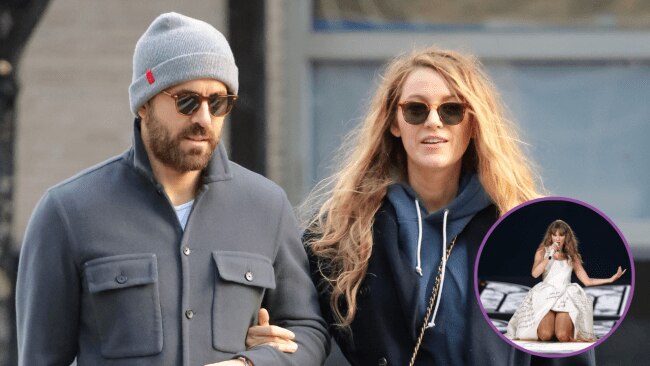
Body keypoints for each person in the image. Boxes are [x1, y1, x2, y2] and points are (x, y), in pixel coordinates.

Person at [246, 47, 597, 365]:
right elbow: (302, 331)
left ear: (473, 123)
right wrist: (266, 343)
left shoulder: (523, 231)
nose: (433, 121)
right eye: (416, 109)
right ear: (394, 123)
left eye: (451, 109)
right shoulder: (340, 235)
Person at [15, 12, 328, 366]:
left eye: (219, 102)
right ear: (145, 104)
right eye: (187, 101)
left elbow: (308, 332)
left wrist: (254, 363)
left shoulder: (268, 206)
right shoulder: (66, 213)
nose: (204, 119)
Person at [506, 219, 626, 343]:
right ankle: (551, 326)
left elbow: (587, 281)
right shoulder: (543, 252)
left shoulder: (572, 256)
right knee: (545, 335)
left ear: (566, 237)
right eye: (554, 234)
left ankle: (567, 327)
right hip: (546, 296)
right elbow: (535, 273)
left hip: (565, 298)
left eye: (561, 235)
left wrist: (610, 279)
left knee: (563, 336)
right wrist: (550, 255)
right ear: (550, 236)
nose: (557, 238)